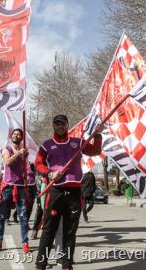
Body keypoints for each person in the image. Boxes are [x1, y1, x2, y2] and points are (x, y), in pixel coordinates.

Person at [35, 114, 102, 270]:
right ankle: (40, 264)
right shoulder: (47, 145)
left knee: (70, 232)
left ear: (67, 125)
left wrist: (97, 134)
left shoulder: (77, 142)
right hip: (55, 191)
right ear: (53, 125)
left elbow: (96, 150)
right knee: (48, 231)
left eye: (63, 123)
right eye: (57, 123)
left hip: (74, 193)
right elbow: (38, 163)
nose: (60, 126)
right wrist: (49, 173)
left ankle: (66, 265)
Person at [0, 128, 30, 253]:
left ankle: (25, 243)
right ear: (11, 136)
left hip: (20, 187)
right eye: (14, 134)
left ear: (21, 138)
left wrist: (24, 156)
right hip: (7, 187)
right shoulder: (6, 149)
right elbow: (7, 162)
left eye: (18, 134)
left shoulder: (24, 152)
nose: (16, 135)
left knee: (23, 217)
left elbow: (26, 168)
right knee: (2, 216)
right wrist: (18, 154)